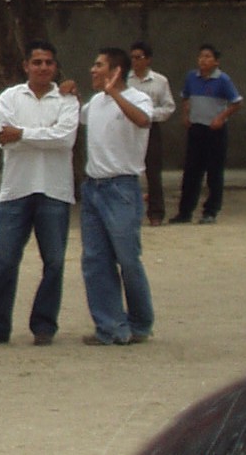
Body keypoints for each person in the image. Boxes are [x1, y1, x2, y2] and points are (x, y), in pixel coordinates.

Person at [0, 40, 79, 347]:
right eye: (37, 62)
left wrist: (24, 133)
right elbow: (7, 138)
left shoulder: (67, 99)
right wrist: (31, 136)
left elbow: (65, 140)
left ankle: (44, 325)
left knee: (54, 262)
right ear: (26, 66)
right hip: (16, 189)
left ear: (55, 67)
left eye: (48, 62)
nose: (43, 67)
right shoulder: (9, 97)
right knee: (3, 260)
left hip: (54, 189)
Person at [78, 47, 155, 346]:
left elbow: (143, 121)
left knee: (128, 258)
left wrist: (116, 95)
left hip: (121, 188)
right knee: (96, 259)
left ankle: (140, 322)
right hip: (94, 187)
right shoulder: (94, 103)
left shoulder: (138, 98)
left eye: (99, 65)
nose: (93, 70)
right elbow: (78, 117)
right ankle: (110, 326)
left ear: (116, 71)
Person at [169, 43, 243, 226]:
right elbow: (185, 96)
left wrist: (221, 118)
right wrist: (186, 115)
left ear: (216, 62)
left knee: (214, 173)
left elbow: (236, 102)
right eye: (201, 56)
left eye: (208, 57)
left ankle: (210, 211)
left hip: (215, 130)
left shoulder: (223, 80)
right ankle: (185, 212)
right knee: (191, 172)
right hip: (196, 129)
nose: (203, 60)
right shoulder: (191, 78)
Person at [128, 41, 176, 226]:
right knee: (128, 169)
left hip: (150, 128)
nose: (135, 61)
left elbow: (169, 106)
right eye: (132, 57)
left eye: (139, 57)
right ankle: (131, 210)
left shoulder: (160, 81)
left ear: (148, 60)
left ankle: (156, 212)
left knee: (153, 171)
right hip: (128, 129)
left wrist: (149, 115)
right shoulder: (126, 79)